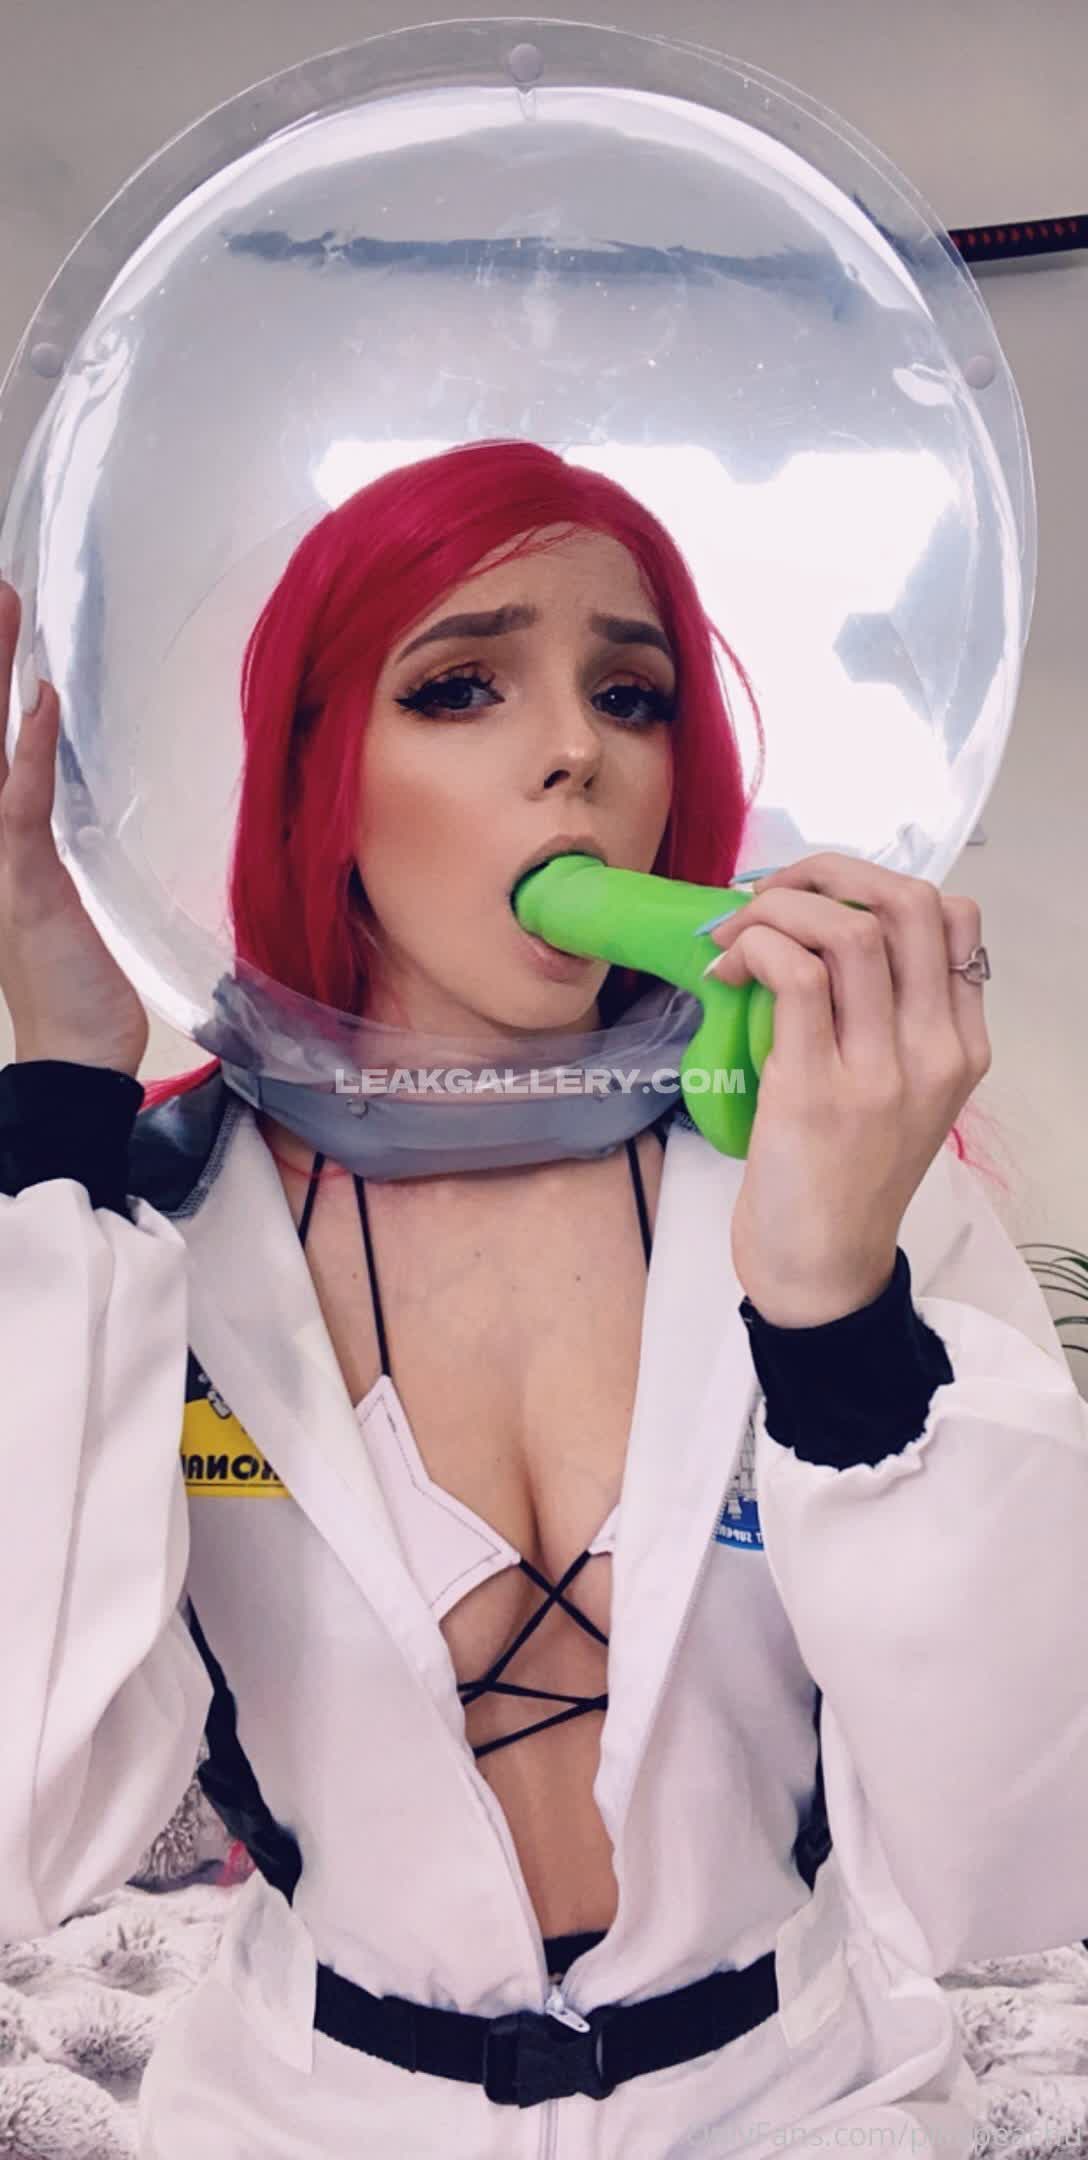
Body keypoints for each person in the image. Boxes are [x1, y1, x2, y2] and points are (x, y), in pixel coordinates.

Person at [1, 441, 1086, 2160]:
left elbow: (1024, 1842)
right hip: (304, 2115)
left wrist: (836, 1324)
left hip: (805, 2099)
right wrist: (63, 1087)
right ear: (319, 775)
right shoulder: (162, 1226)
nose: (578, 749)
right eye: (459, 687)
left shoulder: (830, 1182)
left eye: (631, 696)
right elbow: (29, 1824)